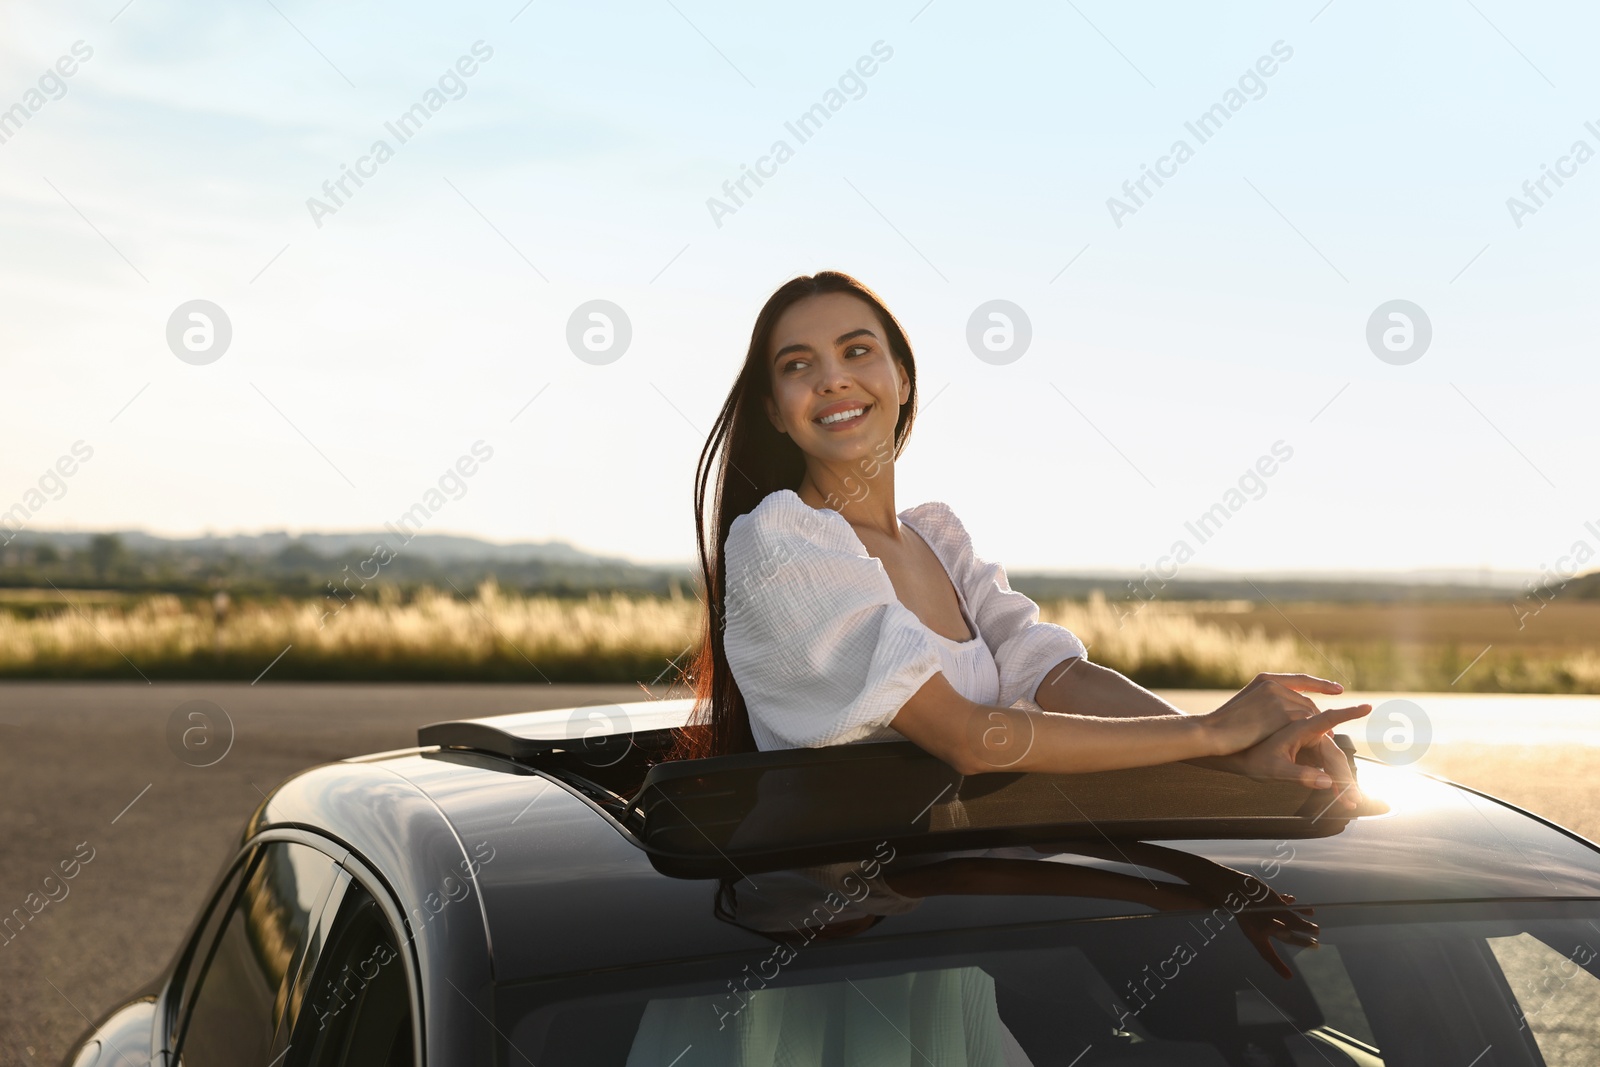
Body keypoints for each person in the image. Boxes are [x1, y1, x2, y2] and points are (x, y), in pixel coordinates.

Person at [667, 269, 1370, 800]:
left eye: (857, 351)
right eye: (798, 366)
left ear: (903, 379)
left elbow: (1053, 675)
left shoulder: (938, 540)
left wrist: (1232, 752)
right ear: (775, 411)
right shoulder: (782, 543)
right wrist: (1210, 731)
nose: (832, 379)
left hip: (958, 926)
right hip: (842, 948)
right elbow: (969, 738)